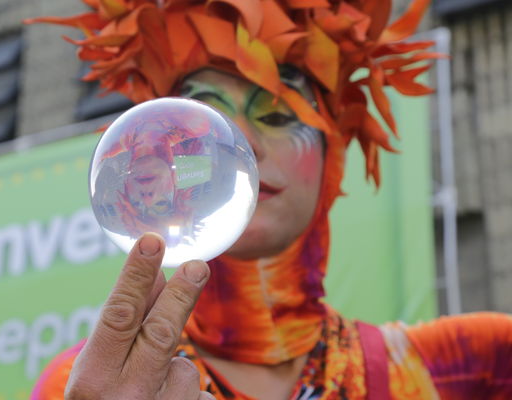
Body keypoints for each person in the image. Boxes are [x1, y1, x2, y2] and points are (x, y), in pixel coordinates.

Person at [25, 0, 512, 399]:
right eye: (202, 125)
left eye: (278, 116)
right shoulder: (85, 387)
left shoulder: (472, 369)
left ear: (331, 155)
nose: (242, 149)